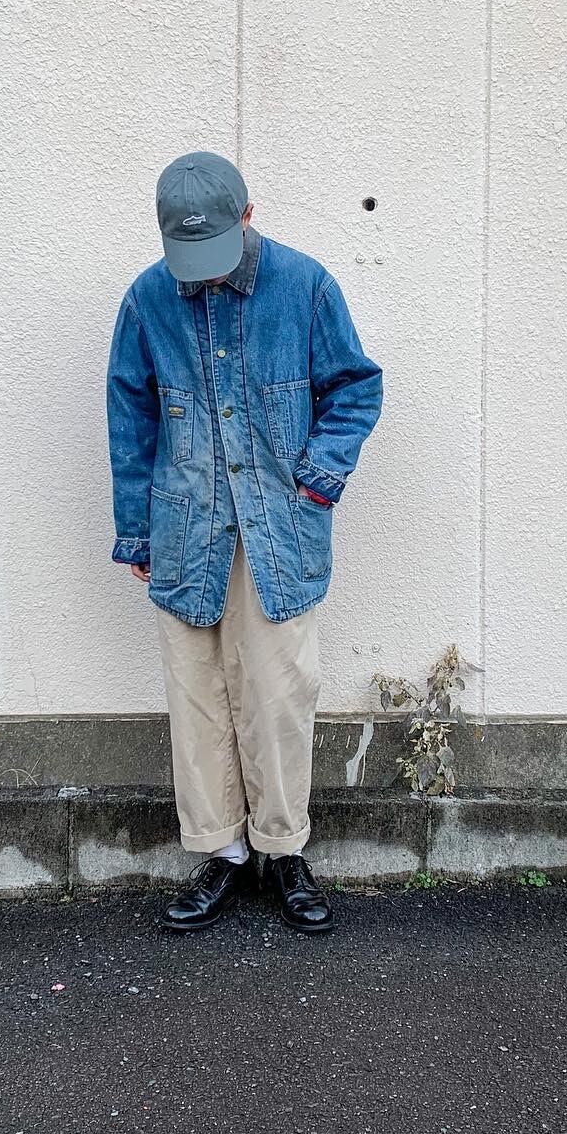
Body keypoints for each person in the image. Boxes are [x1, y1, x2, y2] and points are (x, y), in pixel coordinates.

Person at [106, 150, 383, 934]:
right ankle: (221, 852)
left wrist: (316, 479)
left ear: (249, 216)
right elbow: (132, 418)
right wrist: (137, 531)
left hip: (277, 534)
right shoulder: (148, 300)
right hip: (186, 529)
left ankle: (283, 849)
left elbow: (356, 387)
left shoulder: (305, 287)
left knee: (278, 699)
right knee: (197, 701)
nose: (203, 272)